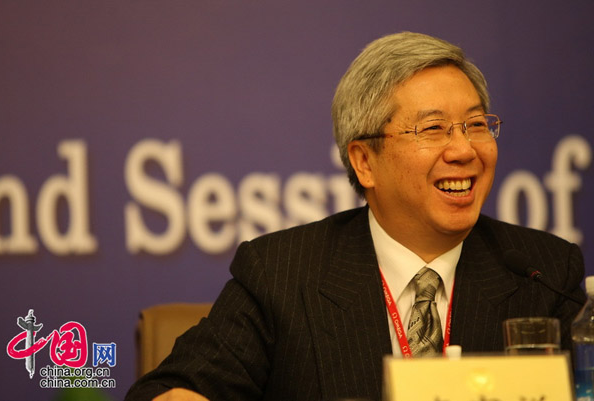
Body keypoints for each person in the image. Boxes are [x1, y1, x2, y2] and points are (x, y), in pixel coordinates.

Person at [125, 31, 585, 401]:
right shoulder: (283, 274)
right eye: (433, 129)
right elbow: (169, 391)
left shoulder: (543, 272)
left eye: (477, 125)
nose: (464, 149)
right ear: (364, 162)